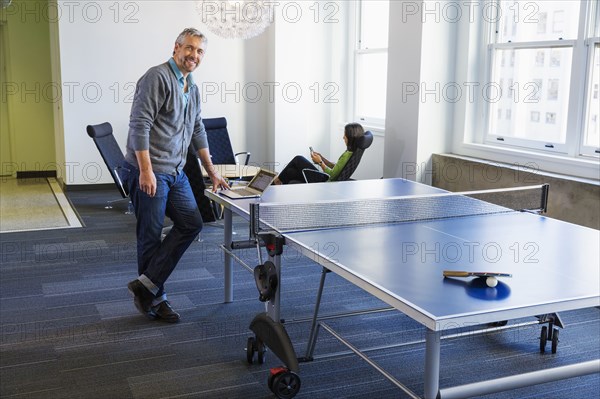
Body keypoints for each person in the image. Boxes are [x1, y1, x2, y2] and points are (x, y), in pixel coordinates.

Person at [121, 28, 228, 323]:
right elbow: (139, 125)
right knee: (150, 236)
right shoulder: (157, 77)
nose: (194, 55)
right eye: (190, 48)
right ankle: (157, 300)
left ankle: (146, 285)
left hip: (176, 171)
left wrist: (212, 172)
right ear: (177, 47)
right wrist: (146, 171)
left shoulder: (191, 87)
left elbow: (197, 129)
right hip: (150, 170)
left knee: (192, 223)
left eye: (200, 51)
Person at [273, 123, 365, 185]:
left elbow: (332, 175)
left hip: (326, 183)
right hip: (327, 179)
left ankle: (276, 182)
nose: (343, 137)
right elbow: (337, 168)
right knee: (290, 172)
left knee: (298, 159)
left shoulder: (347, 155)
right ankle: (278, 186)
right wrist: (322, 159)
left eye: (345, 135)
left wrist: (321, 163)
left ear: (351, 137)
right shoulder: (351, 152)